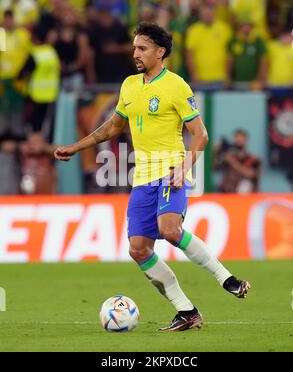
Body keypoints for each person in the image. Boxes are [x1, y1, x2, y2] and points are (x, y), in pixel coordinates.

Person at [54, 22, 250, 332]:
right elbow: (113, 127)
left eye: (142, 48)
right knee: (138, 249)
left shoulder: (176, 86)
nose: (135, 53)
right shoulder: (130, 85)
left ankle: (226, 278)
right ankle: (186, 311)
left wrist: (183, 169)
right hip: (142, 179)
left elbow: (200, 135)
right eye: (134, 48)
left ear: (160, 52)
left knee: (170, 230)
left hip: (171, 171)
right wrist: (76, 148)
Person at [214, 129, 261, 193]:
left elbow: (250, 174)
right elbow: (215, 168)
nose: (239, 140)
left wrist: (232, 162)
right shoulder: (227, 157)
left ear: (246, 140)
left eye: (241, 138)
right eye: (236, 137)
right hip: (226, 193)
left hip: (246, 196)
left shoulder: (253, 159)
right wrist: (215, 152)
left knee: (245, 185)